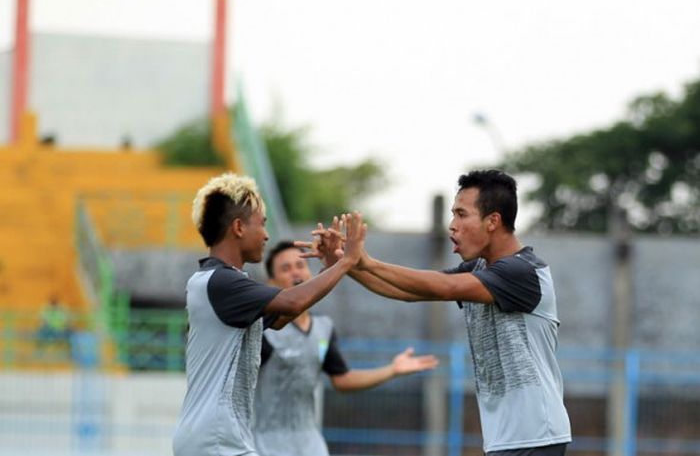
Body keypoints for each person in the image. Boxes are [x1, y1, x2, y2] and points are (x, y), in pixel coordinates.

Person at [307, 170, 572, 456]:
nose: (452, 226)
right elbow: (410, 292)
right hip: (509, 440)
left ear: (493, 220)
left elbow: (443, 287)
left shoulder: (521, 271)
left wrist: (364, 261)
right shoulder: (481, 270)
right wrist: (344, 263)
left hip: (536, 437)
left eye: (461, 214)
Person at [172, 173, 367, 456]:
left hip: (219, 439)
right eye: (262, 224)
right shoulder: (222, 282)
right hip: (216, 441)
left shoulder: (223, 283)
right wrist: (348, 260)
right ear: (238, 227)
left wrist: (329, 268)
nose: (266, 235)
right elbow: (291, 303)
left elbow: (282, 316)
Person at [253, 241, 439, 456]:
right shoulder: (263, 331)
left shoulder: (323, 329)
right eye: (286, 268)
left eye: (300, 265)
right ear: (271, 282)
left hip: (310, 445)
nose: (295, 272)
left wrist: (392, 370)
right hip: (265, 445)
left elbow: (341, 379)